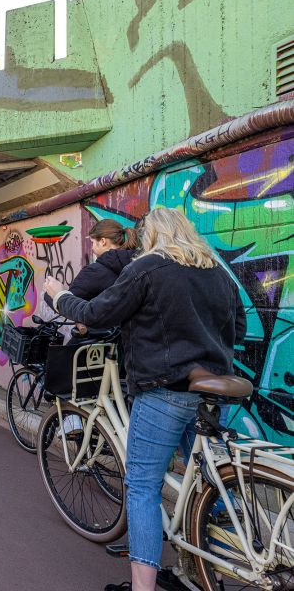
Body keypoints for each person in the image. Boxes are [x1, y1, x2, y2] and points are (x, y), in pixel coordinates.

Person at [43, 207, 245, 591]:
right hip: (207, 390)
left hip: (164, 390)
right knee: (208, 481)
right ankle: (206, 567)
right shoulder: (217, 272)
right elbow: (238, 327)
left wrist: (59, 295)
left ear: (150, 235)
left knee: (142, 486)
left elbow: (96, 313)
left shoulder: (147, 268)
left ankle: (142, 587)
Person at [44, 218, 138, 339]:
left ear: (103, 241)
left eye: (93, 242)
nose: (92, 248)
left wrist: (51, 293)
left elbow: (68, 305)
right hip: (129, 343)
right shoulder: (138, 265)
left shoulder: (95, 271)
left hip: (97, 344)